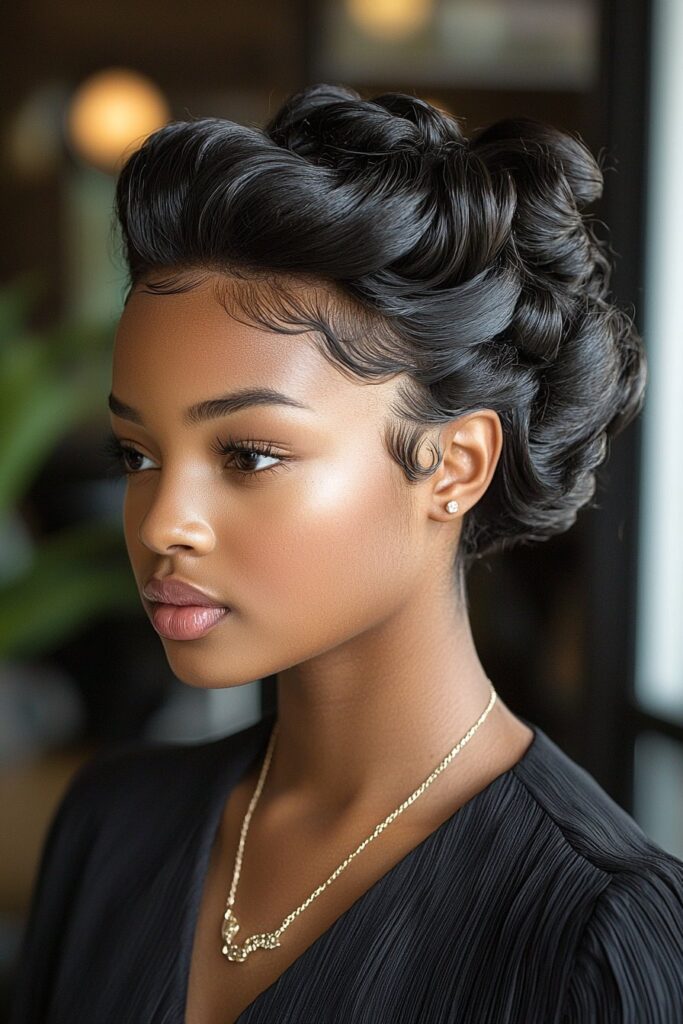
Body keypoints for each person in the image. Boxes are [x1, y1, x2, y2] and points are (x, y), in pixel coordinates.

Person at [8, 83, 683, 1024]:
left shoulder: (594, 937)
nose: (163, 521)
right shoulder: (112, 826)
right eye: (138, 454)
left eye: (248, 454)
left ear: (452, 463)